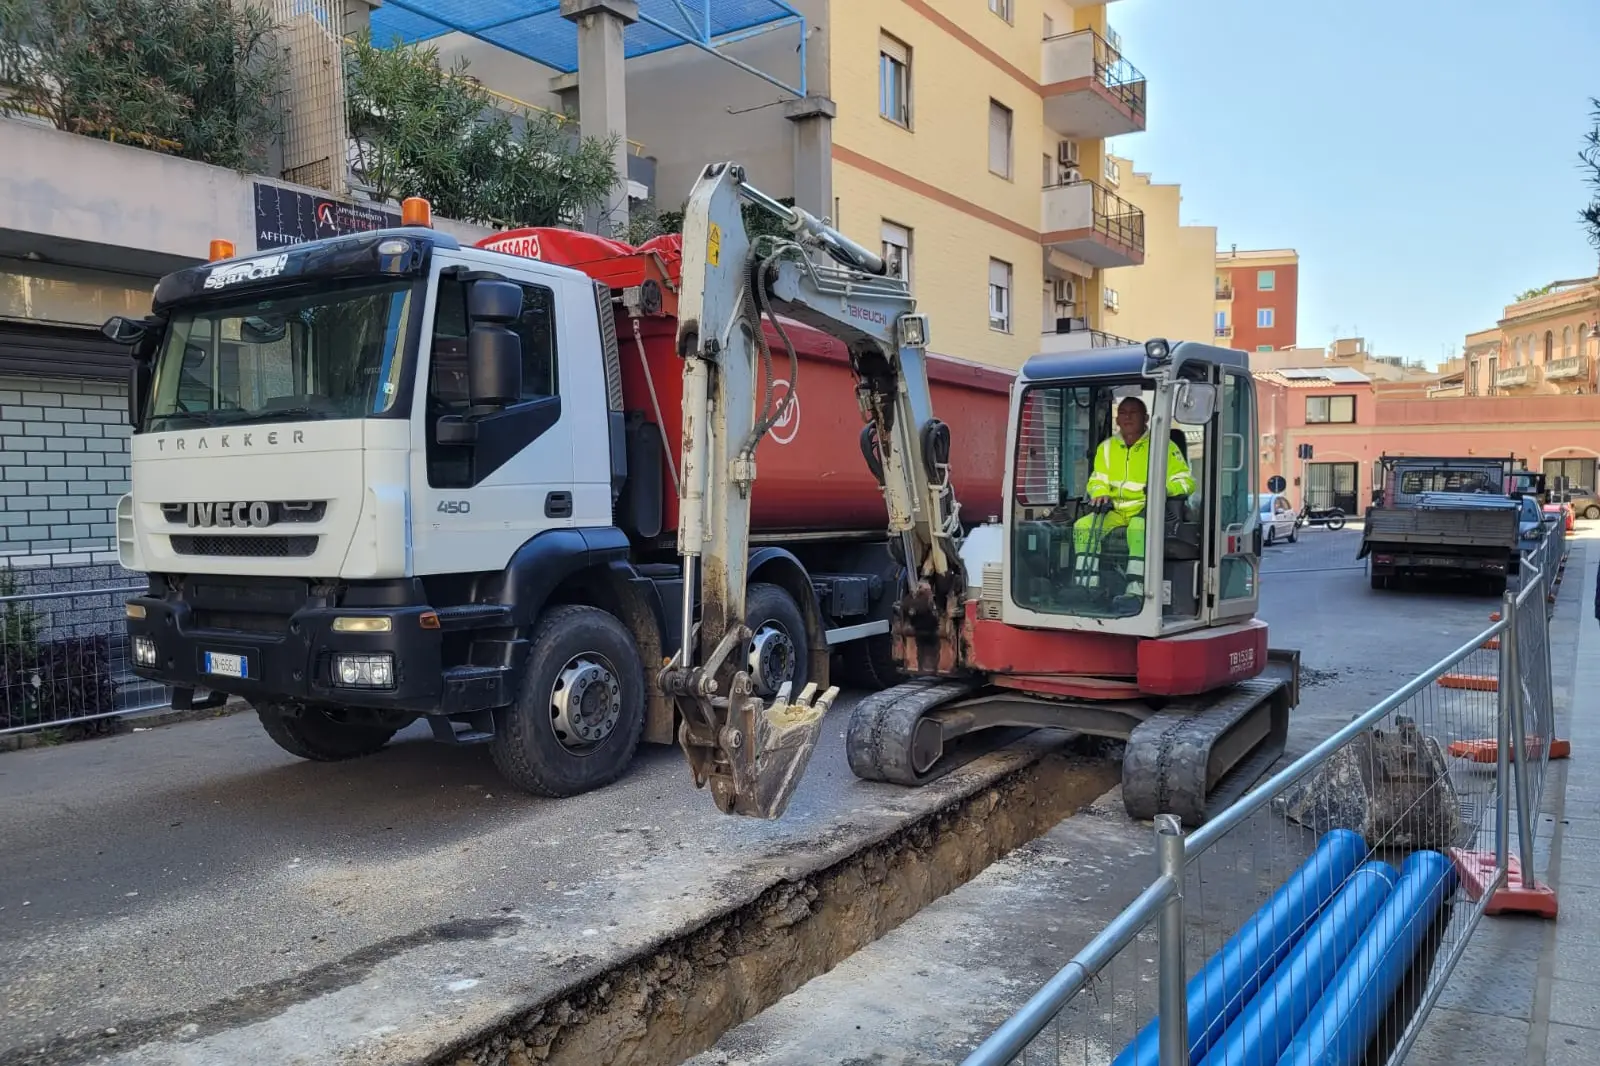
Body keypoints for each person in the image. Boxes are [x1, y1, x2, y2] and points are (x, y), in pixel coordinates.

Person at [1073, 396, 1197, 604]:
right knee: (1083, 526)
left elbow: (1186, 481)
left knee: (1139, 527)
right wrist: (1099, 493)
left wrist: (1164, 489)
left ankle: (1136, 591)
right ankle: (1087, 589)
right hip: (1114, 510)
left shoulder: (1163, 446)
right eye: (1123, 413)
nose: (1128, 417)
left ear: (1146, 418)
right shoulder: (1106, 448)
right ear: (1117, 420)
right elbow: (1096, 480)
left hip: (1147, 508)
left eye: (1134, 413)